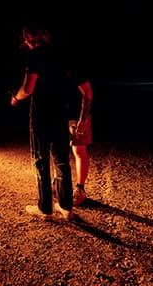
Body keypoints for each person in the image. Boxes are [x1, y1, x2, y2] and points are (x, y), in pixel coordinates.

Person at [10, 23, 75, 220]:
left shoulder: (35, 55)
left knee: (41, 160)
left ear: (29, 37)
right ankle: (66, 207)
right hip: (61, 111)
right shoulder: (60, 53)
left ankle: (45, 208)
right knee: (62, 160)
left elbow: (28, 88)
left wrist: (16, 97)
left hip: (41, 113)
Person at [67, 72, 93, 206]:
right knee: (56, 150)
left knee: (79, 151)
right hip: (60, 114)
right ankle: (57, 184)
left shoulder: (73, 66)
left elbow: (88, 92)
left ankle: (80, 189)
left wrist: (83, 118)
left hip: (76, 116)